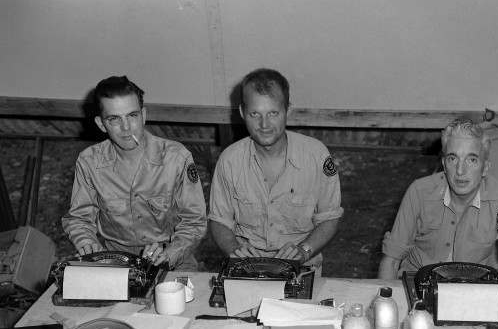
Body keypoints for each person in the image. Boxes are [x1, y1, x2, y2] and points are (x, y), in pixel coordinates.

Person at [62, 75, 207, 270]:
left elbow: (195, 222)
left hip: (173, 258)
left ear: (144, 115)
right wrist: (88, 244)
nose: (126, 128)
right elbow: (79, 218)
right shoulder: (90, 162)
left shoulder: (176, 158)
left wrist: (170, 253)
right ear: (100, 124)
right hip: (115, 260)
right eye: (114, 119)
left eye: (132, 116)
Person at [208, 68, 343, 273]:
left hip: (302, 266)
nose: (264, 125)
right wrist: (234, 250)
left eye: (273, 113)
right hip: (247, 266)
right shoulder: (230, 160)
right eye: (255, 114)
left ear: (288, 110)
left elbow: (329, 217)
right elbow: (219, 221)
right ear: (243, 113)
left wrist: (304, 250)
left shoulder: (316, 156)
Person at [378, 119, 498, 286]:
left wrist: (467, 286)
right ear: (444, 164)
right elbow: (391, 261)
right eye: (453, 159)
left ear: (485, 168)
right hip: (418, 288)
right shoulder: (419, 192)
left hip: (475, 292)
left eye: (472, 160)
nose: (460, 171)